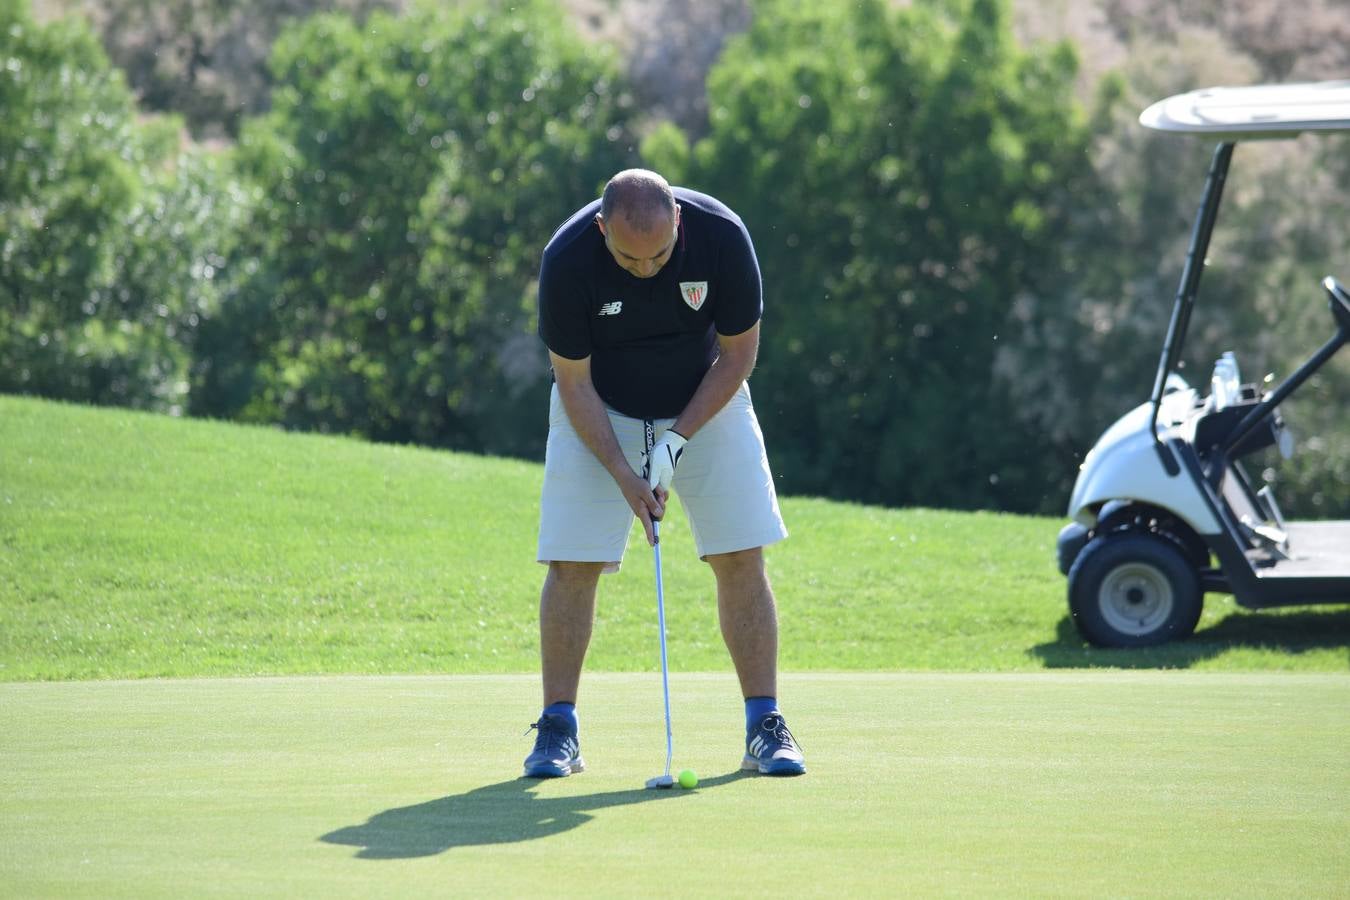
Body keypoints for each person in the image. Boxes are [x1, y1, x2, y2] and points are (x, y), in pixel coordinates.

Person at [524, 168, 806, 778]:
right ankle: (557, 728)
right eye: (628, 257)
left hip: (707, 395)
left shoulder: (723, 237)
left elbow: (740, 354)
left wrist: (676, 441)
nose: (646, 268)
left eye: (659, 255)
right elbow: (572, 383)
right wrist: (625, 475)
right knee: (572, 563)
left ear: (678, 221)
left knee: (740, 553)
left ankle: (765, 724)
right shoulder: (567, 259)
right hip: (600, 404)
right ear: (603, 230)